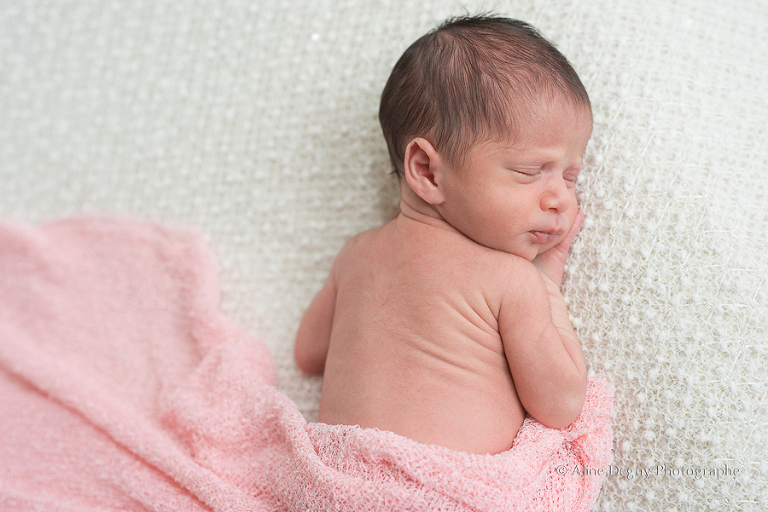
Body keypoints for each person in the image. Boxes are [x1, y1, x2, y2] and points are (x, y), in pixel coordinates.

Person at [294, 14, 592, 455]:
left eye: (569, 177)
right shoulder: (511, 280)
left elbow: (307, 354)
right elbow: (563, 405)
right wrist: (547, 288)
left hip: (338, 485)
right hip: (441, 491)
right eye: (530, 172)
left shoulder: (355, 254)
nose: (561, 200)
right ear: (427, 170)